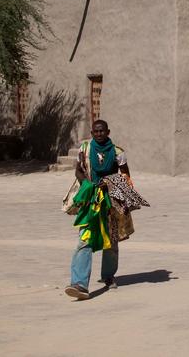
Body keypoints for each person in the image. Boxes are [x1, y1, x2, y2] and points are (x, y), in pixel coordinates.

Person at [65, 119, 132, 300]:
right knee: (85, 239)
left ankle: (108, 276)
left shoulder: (118, 152)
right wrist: (86, 183)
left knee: (111, 239)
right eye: (96, 131)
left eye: (102, 131)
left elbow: (125, 175)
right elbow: (78, 170)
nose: (99, 134)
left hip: (110, 201)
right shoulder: (85, 149)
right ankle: (79, 284)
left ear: (108, 132)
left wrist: (109, 184)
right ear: (92, 133)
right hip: (91, 202)